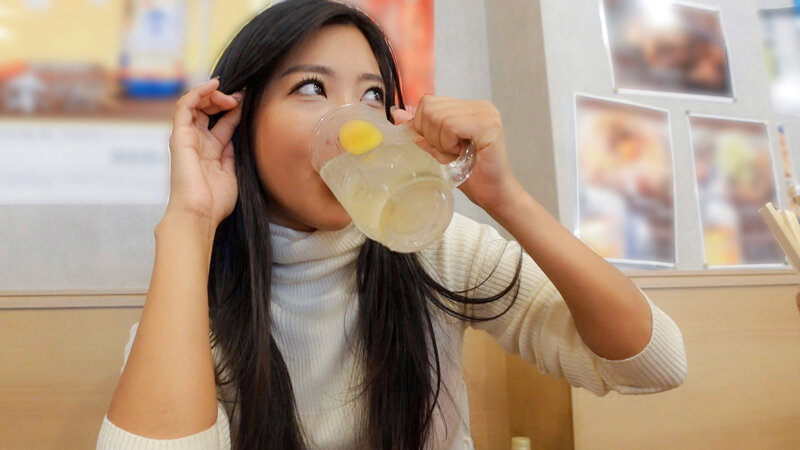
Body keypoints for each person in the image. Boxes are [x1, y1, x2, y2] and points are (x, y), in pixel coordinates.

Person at [97, 1, 687, 449]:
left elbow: (654, 362)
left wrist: (507, 199)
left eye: (372, 95)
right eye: (311, 87)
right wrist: (189, 222)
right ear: (239, 124)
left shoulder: (437, 247)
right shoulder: (193, 306)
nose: (356, 128)